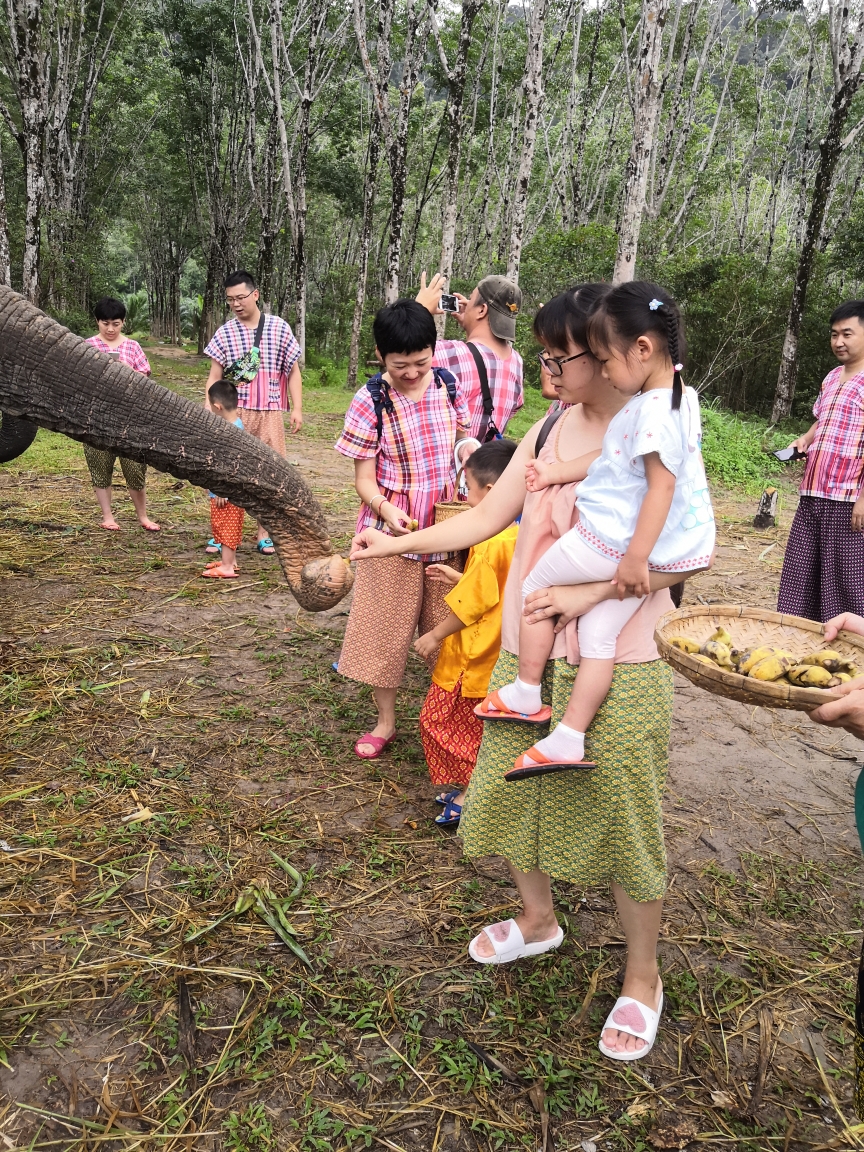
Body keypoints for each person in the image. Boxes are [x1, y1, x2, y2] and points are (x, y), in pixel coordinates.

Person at [351, 286, 705, 1061]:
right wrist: (393, 543)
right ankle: (539, 921)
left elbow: (691, 554)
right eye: (541, 356)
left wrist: (587, 592)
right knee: (511, 792)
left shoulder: (662, 431)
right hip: (527, 655)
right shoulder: (546, 428)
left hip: (623, 661)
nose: (546, 371)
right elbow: (486, 517)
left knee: (623, 814)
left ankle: (642, 977)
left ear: (613, 355)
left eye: (561, 357)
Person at [479, 283, 715, 781]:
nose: (606, 371)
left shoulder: (647, 412)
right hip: (671, 554)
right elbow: (611, 459)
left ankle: (526, 689)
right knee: (599, 633)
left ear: (643, 349)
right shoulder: (679, 398)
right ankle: (570, 735)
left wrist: (634, 557)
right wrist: (556, 472)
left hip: (613, 545)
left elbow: (660, 488)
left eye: (607, 359)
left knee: (534, 588)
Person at [335, 298, 472, 759]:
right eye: (400, 365)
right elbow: (363, 479)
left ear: (434, 351)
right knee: (384, 633)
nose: (412, 372)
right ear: (380, 355)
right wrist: (384, 508)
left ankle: (450, 721)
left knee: (448, 631)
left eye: (420, 362)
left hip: (448, 530)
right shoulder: (370, 399)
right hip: (389, 535)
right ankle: (385, 722)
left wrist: (469, 454)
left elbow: (461, 443)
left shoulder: (450, 385)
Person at [415, 439, 519, 826]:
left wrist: (435, 634)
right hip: (499, 653)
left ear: (491, 493)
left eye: (469, 490)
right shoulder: (519, 535)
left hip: (472, 658)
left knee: (441, 721)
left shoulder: (490, 542)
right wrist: (460, 576)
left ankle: (471, 792)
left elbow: (474, 604)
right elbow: (496, 591)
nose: (466, 498)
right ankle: (469, 785)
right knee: (475, 727)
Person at [203, 271, 302, 556]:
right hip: (236, 413)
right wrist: (210, 406)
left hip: (270, 412)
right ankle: (222, 535)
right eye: (230, 299)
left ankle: (264, 533)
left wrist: (296, 408)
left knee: (268, 473)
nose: (236, 304)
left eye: (241, 297)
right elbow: (214, 375)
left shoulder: (279, 328)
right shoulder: (225, 332)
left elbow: (293, 371)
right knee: (226, 472)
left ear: (255, 295)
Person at [778, 299, 864, 621]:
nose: (838, 342)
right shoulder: (831, 378)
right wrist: (805, 439)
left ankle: (852, 646)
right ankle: (797, 634)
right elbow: (822, 419)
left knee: (845, 579)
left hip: (848, 498)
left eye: (847, 334)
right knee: (801, 573)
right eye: (833, 335)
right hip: (813, 492)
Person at [83, 297, 160, 532]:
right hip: (97, 418)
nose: (110, 329)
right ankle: (107, 516)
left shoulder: (133, 347)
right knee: (100, 467)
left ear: (123, 323)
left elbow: (145, 378)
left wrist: (127, 371)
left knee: (135, 469)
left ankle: (143, 517)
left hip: (130, 418)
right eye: (105, 323)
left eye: (115, 323)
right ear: (97, 322)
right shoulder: (86, 346)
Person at [417, 272, 524, 440]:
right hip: (485, 464)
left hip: (448, 464)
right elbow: (515, 406)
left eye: (471, 299)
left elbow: (389, 352)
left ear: (482, 310)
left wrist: (419, 310)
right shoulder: (516, 362)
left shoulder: (450, 353)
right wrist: (472, 324)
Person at [202, 380, 246, 580]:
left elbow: (231, 465)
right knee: (226, 526)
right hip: (227, 491)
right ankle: (230, 561)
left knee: (226, 527)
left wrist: (222, 490)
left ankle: (227, 566)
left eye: (211, 406)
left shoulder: (230, 432)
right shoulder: (235, 425)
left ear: (217, 407)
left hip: (227, 492)